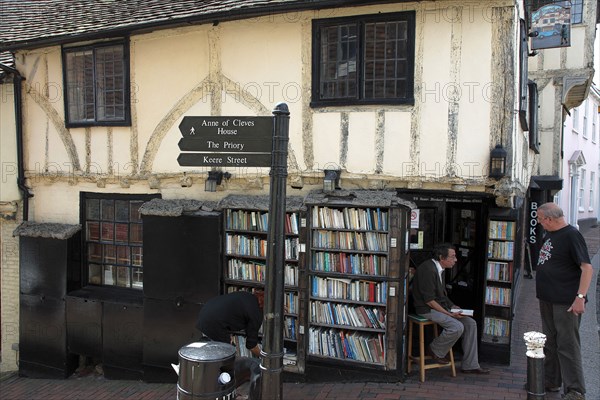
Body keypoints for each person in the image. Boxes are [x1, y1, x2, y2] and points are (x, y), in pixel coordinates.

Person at [535, 203, 592, 400]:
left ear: (549, 219)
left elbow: (587, 268)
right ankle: (552, 380)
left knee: (567, 345)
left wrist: (580, 298)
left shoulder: (571, 235)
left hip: (565, 301)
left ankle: (576, 391)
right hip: (548, 298)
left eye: (541, 220)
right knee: (550, 343)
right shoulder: (550, 234)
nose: (540, 224)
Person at [411, 243, 490, 374]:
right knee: (457, 327)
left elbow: (442, 296)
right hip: (426, 309)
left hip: (439, 308)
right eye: (452, 257)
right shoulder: (428, 270)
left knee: (471, 323)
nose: (456, 260)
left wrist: (453, 307)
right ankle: (434, 349)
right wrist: (448, 313)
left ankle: (470, 364)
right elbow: (429, 301)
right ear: (442, 257)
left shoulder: (439, 269)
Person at [196, 290, 264, 357]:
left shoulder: (248, 296)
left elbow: (231, 313)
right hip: (214, 323)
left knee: (217, 350)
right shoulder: (256, 313)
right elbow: (251, 345)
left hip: (204, 313)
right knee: (226, 356)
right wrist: (264, 358)